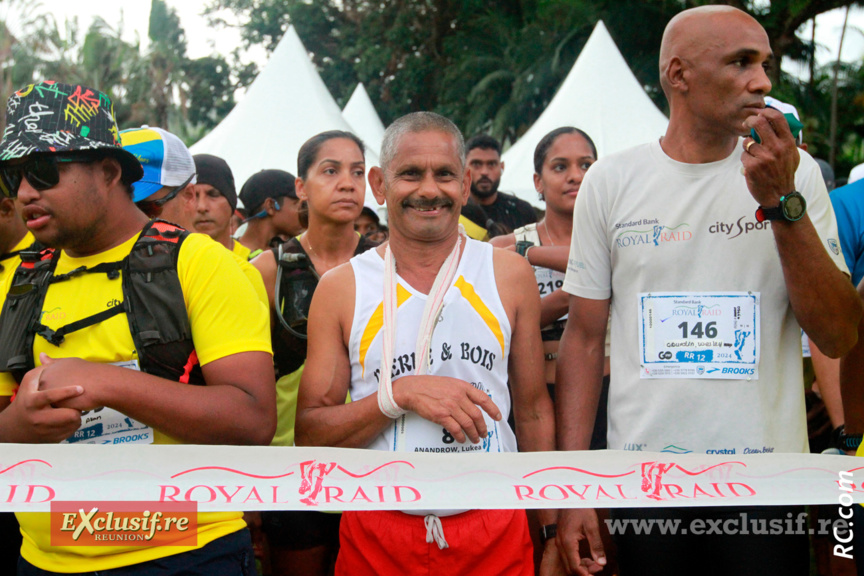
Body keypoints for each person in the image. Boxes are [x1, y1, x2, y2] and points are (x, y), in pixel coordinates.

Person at [556, 7, 861, 576]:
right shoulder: (612, 180)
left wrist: (780, 201)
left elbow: (839, 333)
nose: (763, 81)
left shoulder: (797, 175)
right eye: (741, 62)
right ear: (679, 75)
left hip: (766, 487)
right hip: (646, 485)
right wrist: (575, 488)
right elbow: (583, 339)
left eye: (765, 64)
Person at [0, 80, 276, 574]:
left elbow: (253, 420)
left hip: (187, 551)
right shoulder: (14, 283)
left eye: (42, 171)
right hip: (46, 559)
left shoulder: (201, 264)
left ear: (108, 172)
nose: (24, 193)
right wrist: (17, 425)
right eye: (12, 176)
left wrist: (107, 382)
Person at [294, 112, 557, 575]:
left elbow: (533, 408)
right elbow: (310, 433)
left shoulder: (508, 275)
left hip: (494, 527)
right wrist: (400, 395)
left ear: (467, 180)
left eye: (445, 174)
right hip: (378, 532)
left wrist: (549, 527)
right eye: (411, 174)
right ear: (379, 184)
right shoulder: (341, 288)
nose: (429, 190)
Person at [252, 130, 377, 576]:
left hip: (373, 465)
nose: (347, 183)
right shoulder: (268, 270)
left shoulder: (387, 266)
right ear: (300, 187)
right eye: (331, 171)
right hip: (292, 471)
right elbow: (250, 385)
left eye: (357, 172)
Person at [465, 134, 537, 232]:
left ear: (502, 167)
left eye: (491, 164)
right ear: (464, 168)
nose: (484, 172)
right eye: (476, 164)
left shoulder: (522, 212)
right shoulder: (453, 212)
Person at [192, 153, 251, 259]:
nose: (202, 207)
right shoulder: (163, 269)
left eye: (213, 195)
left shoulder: (258, 266)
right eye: (192, 196)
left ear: (231, 203)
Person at [237, 169, 305, 257]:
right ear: (271, 206)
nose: (303, 212)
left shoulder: (290, 254)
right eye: (297, 204)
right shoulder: (226, 255)